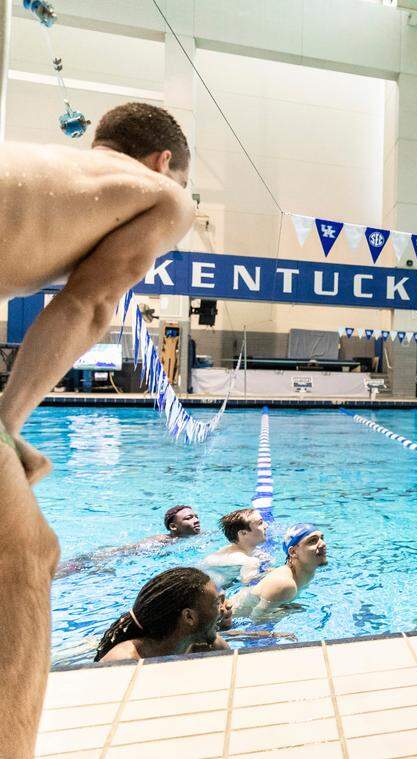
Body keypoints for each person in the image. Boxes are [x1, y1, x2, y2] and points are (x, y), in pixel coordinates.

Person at [2, 103, 193, 756]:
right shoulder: (162, 196)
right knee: (23, 561)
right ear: (164, 162)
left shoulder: (45, 166)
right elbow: (87, 303)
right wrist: (8, 422)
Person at [93, 567, 225, 662]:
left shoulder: (210, 647)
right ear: (189, 617)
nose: (223, 609)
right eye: (216, 603)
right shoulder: (124, 662)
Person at [54, 505, 201, 579]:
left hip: (115, 556)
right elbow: (128, 552)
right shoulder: (162, 541)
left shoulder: (187, 538)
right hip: (107, 557)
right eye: (188, 518)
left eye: (196, 516)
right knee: (64, 571)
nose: (196, 520)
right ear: (173, 527)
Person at [230, 524, 328, 620]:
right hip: (225, 620)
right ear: (293, 552)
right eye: (312, 541)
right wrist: (288, 611)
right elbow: (257, 619)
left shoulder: (306, 573)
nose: (323, 543)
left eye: (321, 538)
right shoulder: (285, 584)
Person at [202, 508, 272, 587]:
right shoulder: (249, 561)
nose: (266, 525)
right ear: (243, 533)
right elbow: (249, 585)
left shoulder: (231, 550)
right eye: (260, 523)